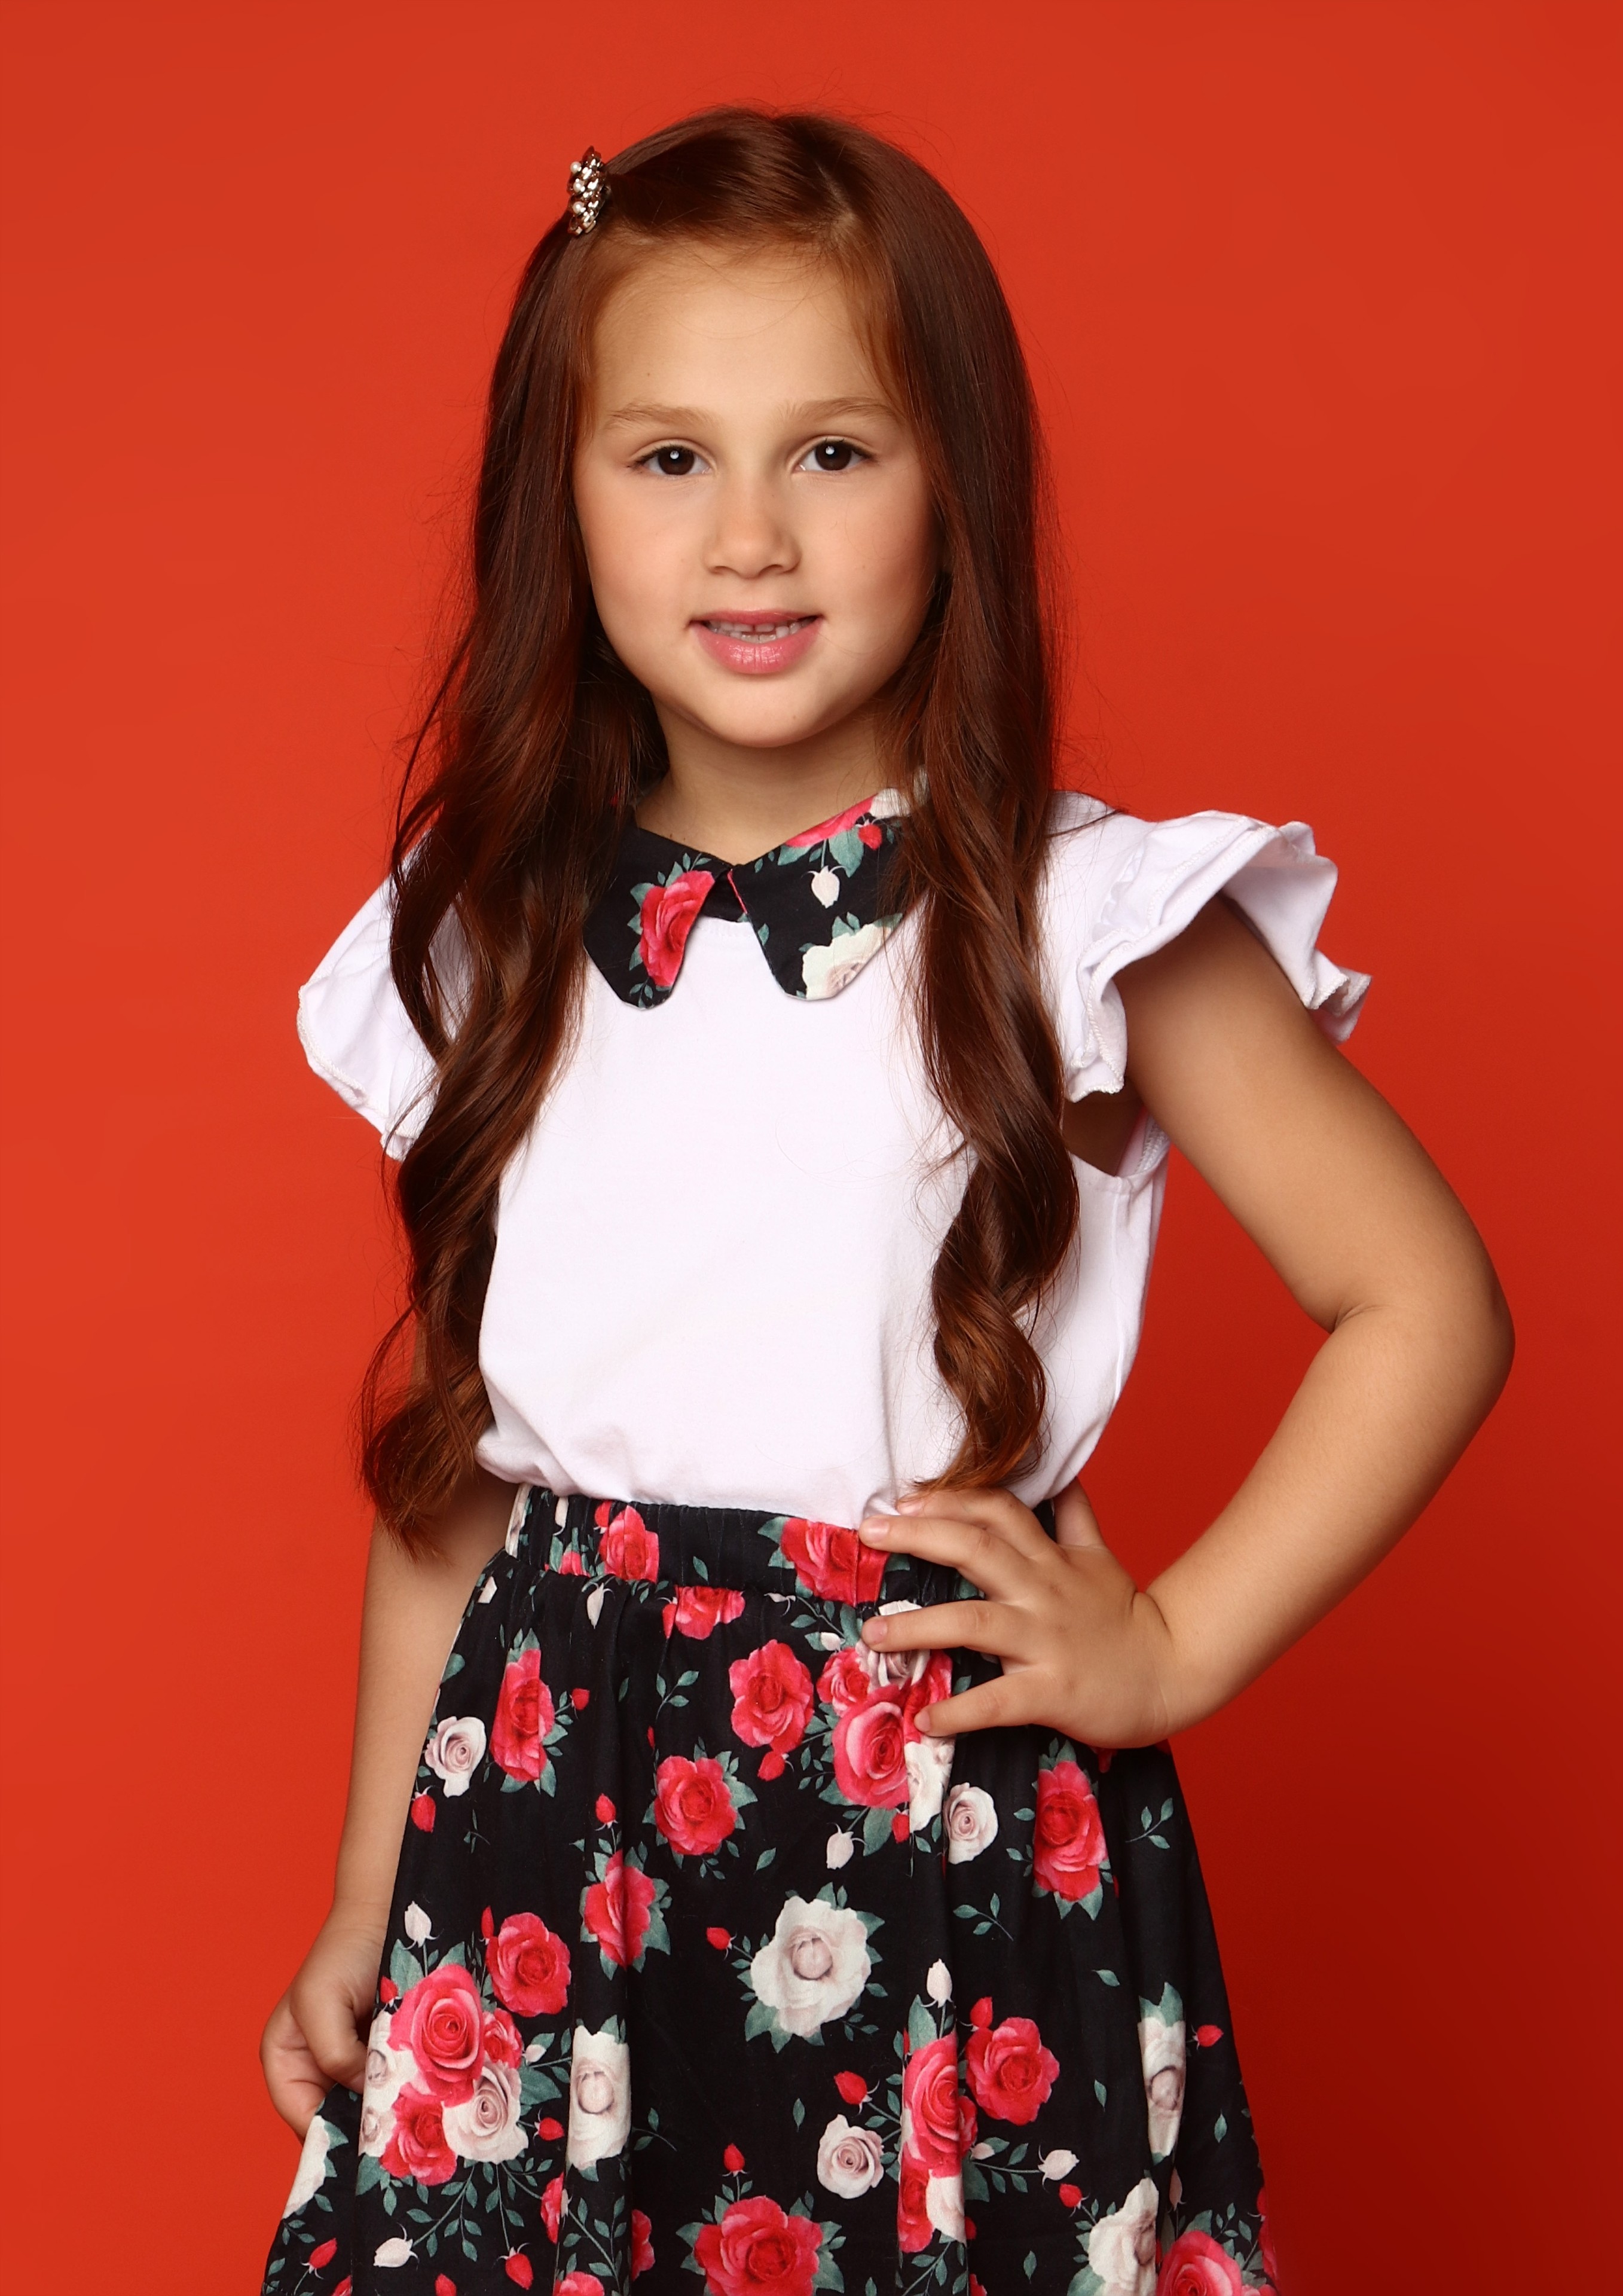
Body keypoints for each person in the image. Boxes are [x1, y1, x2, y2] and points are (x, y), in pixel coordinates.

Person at [258, 108, 1511, 2296]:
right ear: (558, 495)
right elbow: (459, 1494)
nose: (750, 535)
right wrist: (371, 1894)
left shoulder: (1079, 921)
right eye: (668, 457)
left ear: (957, 488)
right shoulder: (484, 943)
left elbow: (1422, 1301)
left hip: (937, 1841)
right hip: (543, 1853)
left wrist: (1171, 1645)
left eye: (832, 452)